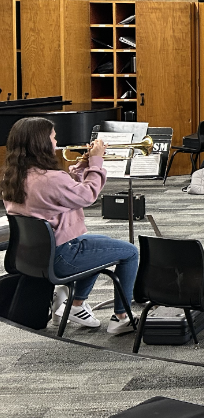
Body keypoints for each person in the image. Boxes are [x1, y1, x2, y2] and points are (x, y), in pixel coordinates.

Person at [0, 117, 138, 335]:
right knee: (130, 252)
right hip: (60, 256)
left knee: (102, 244)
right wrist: (96, 163)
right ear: (41, 143)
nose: (57, 142)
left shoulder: (13, 175)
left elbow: (61, 193)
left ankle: (76, 304)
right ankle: (122, 317)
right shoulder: (50, 179)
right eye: (53, 138)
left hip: (33, 256)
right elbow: (87, 195)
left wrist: (83, 165)